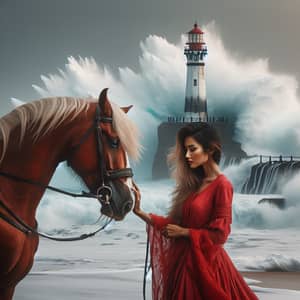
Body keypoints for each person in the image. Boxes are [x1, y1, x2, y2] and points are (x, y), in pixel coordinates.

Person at [132, 123, 258, 300]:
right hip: (183, 263)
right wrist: (139, 211)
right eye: (185, 150)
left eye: (192, 149)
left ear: (210, 150)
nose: (187, 155)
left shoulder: (222, 185)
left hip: (205, 266)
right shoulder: (194, 184)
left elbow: (220, 235)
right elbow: (175, 225)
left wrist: (185, 232)